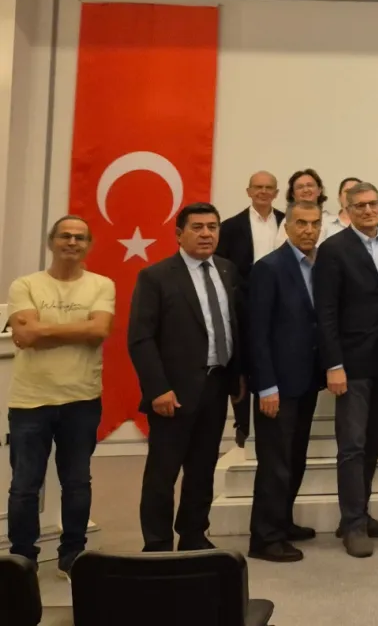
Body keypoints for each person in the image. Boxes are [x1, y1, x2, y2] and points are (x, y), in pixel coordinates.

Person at [128, 203, 246, 552]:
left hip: (216, 385)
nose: (206, 234)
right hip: (173, 392)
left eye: (212, 226)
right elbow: (140, 339)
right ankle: (157, 543)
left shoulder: (226, 269)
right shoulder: (156, 276)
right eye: (197, 227)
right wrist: (158, 389)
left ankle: (194, 533)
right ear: (179, 234)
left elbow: (233, 326)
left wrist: (237, 376)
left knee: (203, 467)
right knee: (163, 472)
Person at [6, 216, 114, 576]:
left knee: (77, 482)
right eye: (65, 236)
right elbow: (25, 336)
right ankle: (22, 559)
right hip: (30, 402)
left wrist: (43, 329)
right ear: (51, 242)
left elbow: (99, 330)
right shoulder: (25, 284)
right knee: (24, 487)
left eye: (80, 238)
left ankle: (73, 554)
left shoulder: (102, 285)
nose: (72, 242)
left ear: (89, 245)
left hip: (81, 400)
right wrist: (78, 329)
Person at [313, 182, 378, 558]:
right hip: (351, 364)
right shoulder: (333, 249)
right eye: (360, 206)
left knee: (374, 442)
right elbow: (326, 312)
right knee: (351, 446)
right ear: (348, 211)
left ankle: (360, 515)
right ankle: (352, 525)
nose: (368, 210)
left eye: (373, 204)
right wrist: (333, 364)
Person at [246, 201, 326, 563]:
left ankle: (282, 522)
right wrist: (266, 386)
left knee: (294, 459)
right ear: (288, 227)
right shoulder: (269, 268)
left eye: (314, 223)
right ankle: (265, 539)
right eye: (302, 223)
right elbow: (257, 333)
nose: (309, 230)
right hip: (276, 386)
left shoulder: (318, 266)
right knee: (275, 464)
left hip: (306, 381)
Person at [216, 171, 284, 448]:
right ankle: (243, 426)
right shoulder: (231, 227)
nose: (263, 192)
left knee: (274, 359)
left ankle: (275, 419)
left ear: (276, 193)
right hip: (244, 305)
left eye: (269, 187)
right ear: (248, 191)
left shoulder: (287, 222)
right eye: (258, 187)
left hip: (281, 305)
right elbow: (223, 268)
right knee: (243, 364)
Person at [274, 169, 342, 246]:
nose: (305, 190)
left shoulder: (333, 220)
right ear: (293, 194)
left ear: (319, 190)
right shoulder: (288, 220)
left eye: (310, 185)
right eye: (300, 187)